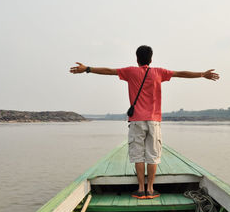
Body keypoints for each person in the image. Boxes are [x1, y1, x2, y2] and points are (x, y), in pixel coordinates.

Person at [70, 45, 219, 199]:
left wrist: (87, 68)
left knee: (138, 155)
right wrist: (203, 74)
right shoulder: (159, 73)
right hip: (154, 121)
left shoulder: (130, 71)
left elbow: (109, 71)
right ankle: (151, 189)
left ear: (137, 59)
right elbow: (180, 74)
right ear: (151, 59)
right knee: (152, 155)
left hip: (136, 121)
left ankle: (141, 189)